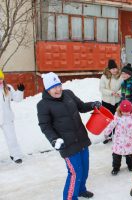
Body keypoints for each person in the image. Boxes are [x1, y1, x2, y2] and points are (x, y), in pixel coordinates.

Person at [37, 72, 101, 200]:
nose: (58, 89)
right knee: (75, 172)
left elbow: (81, 106)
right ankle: (70, 197)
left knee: (84, 168)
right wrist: (54, 140)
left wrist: (92, 105)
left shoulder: (68, 94)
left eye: (59, 85)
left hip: (81, 138)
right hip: (66, 144)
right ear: (47, 89)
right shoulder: (43, 105)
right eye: (54, 87)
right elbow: (45, 126)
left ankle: (81, 189)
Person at [103, 100, 132, 175]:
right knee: (116, 156)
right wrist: (107, 132)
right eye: (124, 112)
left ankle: (130, 165)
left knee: (130, 155)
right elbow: (111, 124)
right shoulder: (117, 116)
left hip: (129, 140)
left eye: (127, 111)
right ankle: (116, 167)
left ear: (131, 109)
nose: (125, 113)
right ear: (120, 110)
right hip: (118, 141)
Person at [0, 70, 24, 164]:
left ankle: (16, 155)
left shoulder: (8, 88)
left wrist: (20, 91)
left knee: (12, 138)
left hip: (7, 118)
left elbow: (17, 99)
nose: (0, 80)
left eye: (1, 78)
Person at [99, 59, 123, 144]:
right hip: (107, 102)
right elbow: (101, 89)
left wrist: (119, 93)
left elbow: (123, 87)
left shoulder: (120, 76)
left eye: (115, 68)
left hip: (117, 101)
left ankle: (116, 135)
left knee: (116, 119)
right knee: (107, 119)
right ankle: (107, 136)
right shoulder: (104, 76)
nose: (114, 70)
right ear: (109, 69)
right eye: (112, 69)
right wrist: (111, 93)